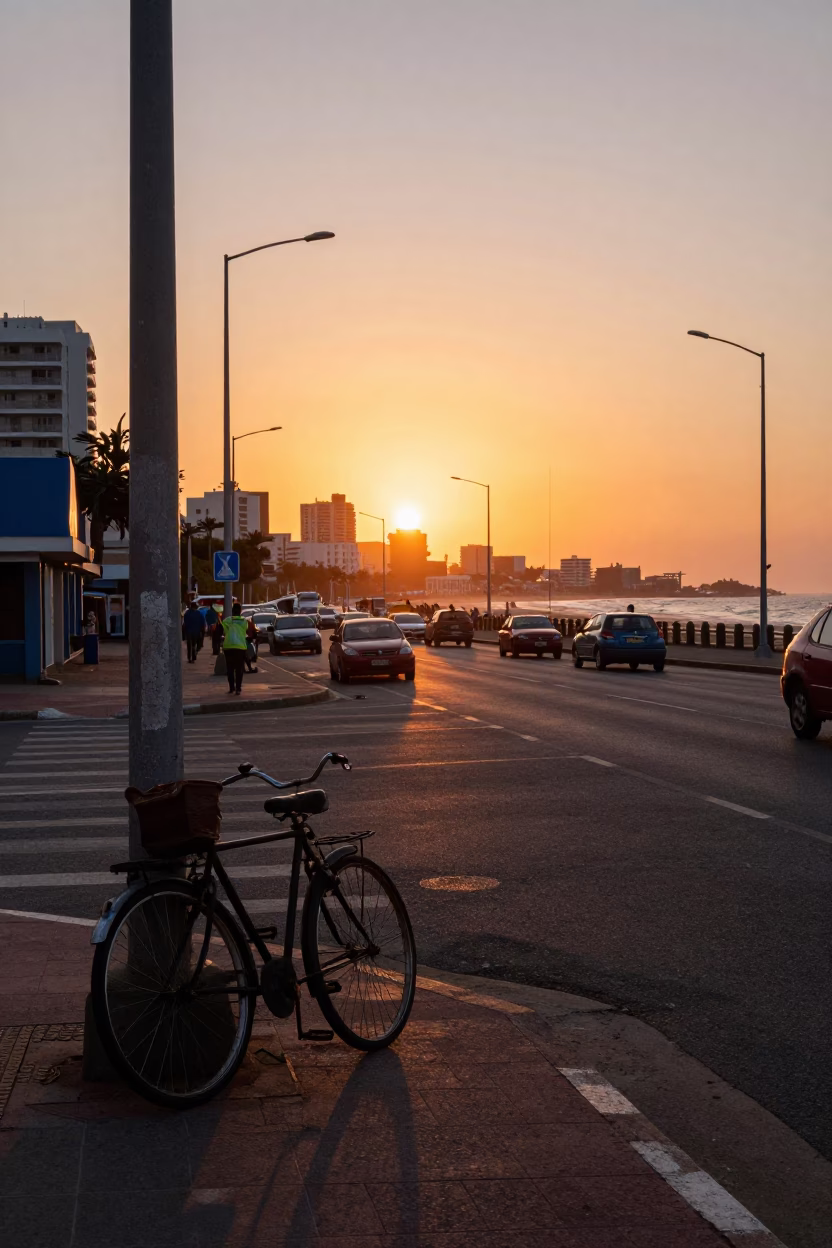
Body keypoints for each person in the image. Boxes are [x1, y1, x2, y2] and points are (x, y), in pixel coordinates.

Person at [222, 603, 248, 694]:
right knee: (239, 668)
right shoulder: (244, 621)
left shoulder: (227, 620)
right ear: (240, 611)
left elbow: (225, 631)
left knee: (230, 668)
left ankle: (231, 688)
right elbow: (245, 629)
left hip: (228, 646)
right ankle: (238, 689)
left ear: (232, 611)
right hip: (240, 647)